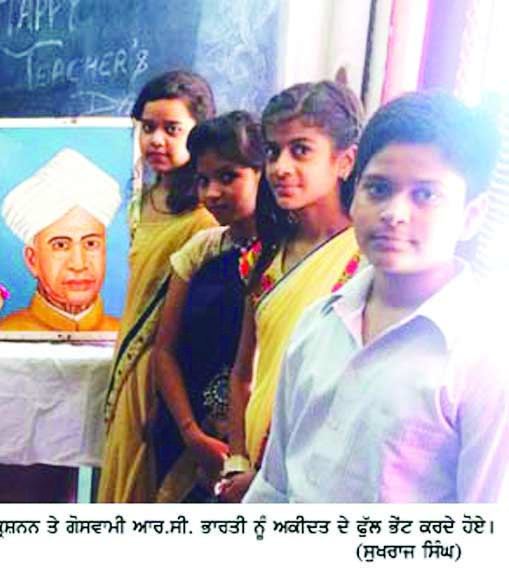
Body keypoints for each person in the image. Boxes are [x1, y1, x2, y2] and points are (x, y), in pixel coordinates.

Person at [245, 92, 509, 502]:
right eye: (378, 188)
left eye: (426, 195)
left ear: (471, 215)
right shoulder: (318, 323)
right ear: (354, 194)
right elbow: (274, 486)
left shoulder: (486, 356)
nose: (394, 213)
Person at [219, 81, 365, 501]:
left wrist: (267, 478)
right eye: (273, 151)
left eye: (301, 150)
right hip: (249, 466)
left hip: (311, 473)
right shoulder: (262, 257)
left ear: (344, 161)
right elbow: (243, 374)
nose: (280, 167)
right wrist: (237, 461)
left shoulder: (364, 261)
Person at [98, 70, 219, 502]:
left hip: (166, 368)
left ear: (198, 134)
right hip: (129, 359)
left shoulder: (205, 218)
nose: (156, 140)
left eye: (172, 129)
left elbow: (198, 321)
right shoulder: (142, 201)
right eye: (148, 127)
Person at [150, 111, 263, 502]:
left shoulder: (288, 258)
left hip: (259, 443)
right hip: (189, 437)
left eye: (228, 177)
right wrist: (192, 434)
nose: (212, 193)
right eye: (203, 180)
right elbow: (164, 352)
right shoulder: (201, 251)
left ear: (263, 173)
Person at [0, 148, 122, 332]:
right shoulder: (3, 334)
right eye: (61, 245)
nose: (78, 265)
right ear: (32, 260)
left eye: (91, 244)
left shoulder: (124, 335)